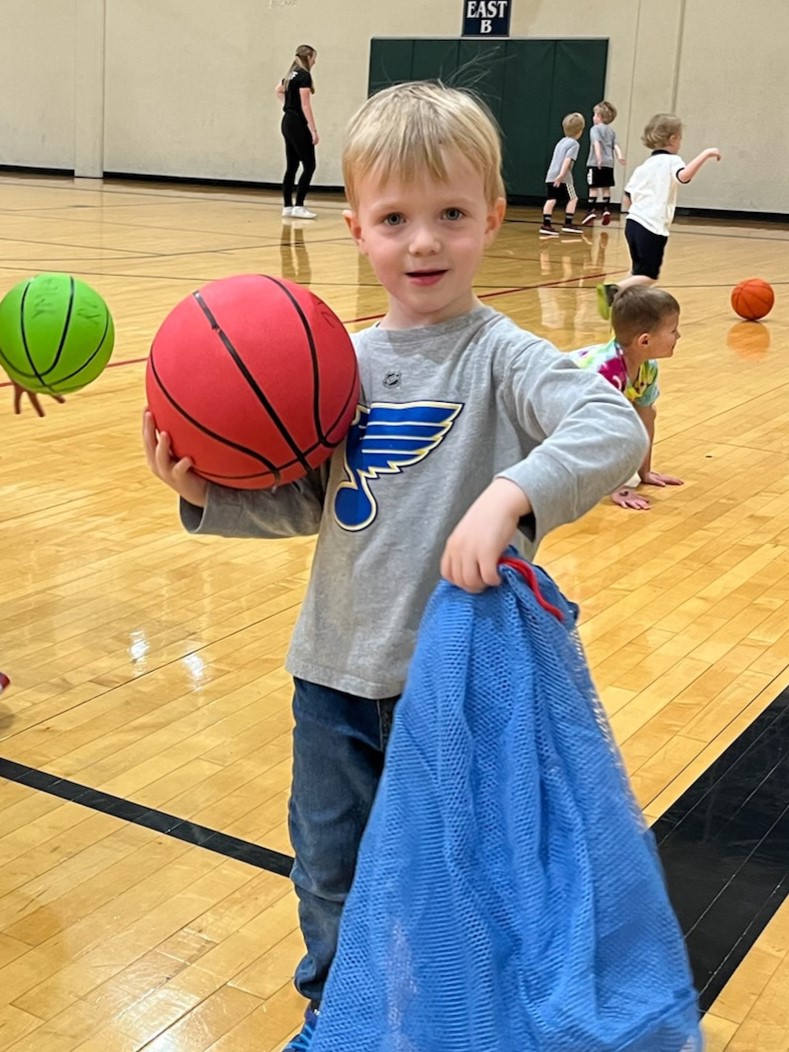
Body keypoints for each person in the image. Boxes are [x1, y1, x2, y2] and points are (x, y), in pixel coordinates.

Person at [143, 81, 648, 1051]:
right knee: (330, 867)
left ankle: (461, 1020)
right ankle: (342, 1014)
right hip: (330, 674)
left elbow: (613, 424)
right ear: (356, 227)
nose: (423, 242)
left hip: (454, 693)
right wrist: (207, 496)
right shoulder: (339, 361)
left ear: (492, 218)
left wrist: (512, 494)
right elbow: (311, 502)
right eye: (396, 219)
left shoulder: (503, 355)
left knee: (459, 874)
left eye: (451, 216)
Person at [596, 114, 720, 319]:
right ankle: (613, 290)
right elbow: (684, 176)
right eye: (680, 138)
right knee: (649, 276)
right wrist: (706, 154)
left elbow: (628, 197)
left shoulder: (644, 166)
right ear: (672, 139)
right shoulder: (672, 161)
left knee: (638, 274)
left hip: (633, 224)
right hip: (651, 227)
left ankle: (626, 311)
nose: (680, 142)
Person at [571, 286, 682, 510]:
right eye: (673, 330)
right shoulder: (607, 374)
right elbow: (604, 435)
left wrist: (645, 471)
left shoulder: (647, 367)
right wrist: (617, 487)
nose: (678, 336)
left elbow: (646, 416)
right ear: (644, 341)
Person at [275, 45, 319, 220]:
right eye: (314, 58)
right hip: (298, 124)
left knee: (292, 166)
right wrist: (313, 130)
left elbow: (278, 90)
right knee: (309, 165)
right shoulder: (304, 75)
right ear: (308, 57)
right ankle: (299, 205)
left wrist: (288, 105)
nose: (315, 61)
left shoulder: (290, 74)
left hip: (287, 121)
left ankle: (288, 206)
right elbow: (305, 104)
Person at [539, 112, 585, 237]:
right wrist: (561, 175)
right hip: (563, 176)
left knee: (551, 199)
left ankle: (546, 225)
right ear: (580, 131)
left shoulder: (561, 142)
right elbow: (567, 160)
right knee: (573, 198)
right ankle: (568, 224)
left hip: (550, 174)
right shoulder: (574, 144)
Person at [581, 100, 625, 226]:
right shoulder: (611, 131)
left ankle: (591, 210)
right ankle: (606, 209)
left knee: (593, 188)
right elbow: (616, 145)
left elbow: (596, 143)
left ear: (599, 116)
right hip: (609, 163)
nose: (593, 117)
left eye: (594, 115)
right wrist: (620, 156)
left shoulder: (594, 129)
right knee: (606, 188)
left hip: (596, 163)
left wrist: (598, 157)